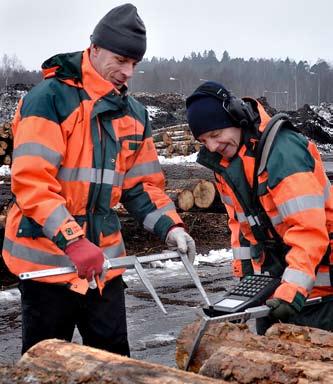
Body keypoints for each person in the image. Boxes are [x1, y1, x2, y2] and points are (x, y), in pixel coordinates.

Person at [2, 3, 196, 356]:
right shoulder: (49, 99)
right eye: (121, 60)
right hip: (47, 267)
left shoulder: (133, 114)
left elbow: (142, 186)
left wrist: (171, 227)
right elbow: (32, 182)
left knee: (114, 364)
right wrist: (73, 241)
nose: (128, 72)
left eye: (134, 64)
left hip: (104, 268)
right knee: (47, 365)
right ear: (94, 48)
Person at [185, 80, 333, 334]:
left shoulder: (282, 152)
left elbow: (308, 230)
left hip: (318, 296)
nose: (211, 146)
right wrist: (245, 286)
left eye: (215, 135)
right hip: (275, 289)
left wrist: (293, 289)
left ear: (236, 118)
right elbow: (241, 227)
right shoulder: (228, 164)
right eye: (203, 140)